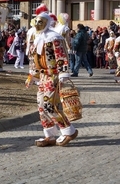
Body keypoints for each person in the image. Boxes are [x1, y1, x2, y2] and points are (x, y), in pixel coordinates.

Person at [26, 12, 78, 147]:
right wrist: (33, 75)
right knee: (41, 105)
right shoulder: (37, 38)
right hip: (43, 76)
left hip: (53, 75)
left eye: (41, 22)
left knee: (50, 105)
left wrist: (63, 74)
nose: (38, 24)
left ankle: (68, 130)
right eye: (36, 21)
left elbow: (61, 56)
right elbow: (34, 58)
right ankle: (49, 134)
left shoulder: (54, 37)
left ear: (47, 23)